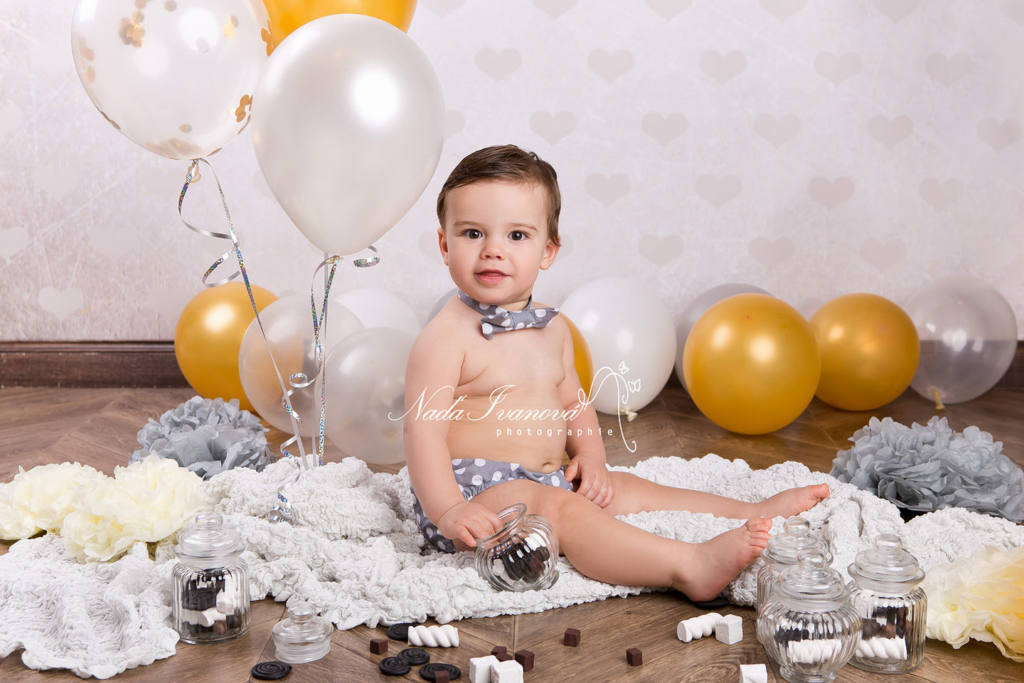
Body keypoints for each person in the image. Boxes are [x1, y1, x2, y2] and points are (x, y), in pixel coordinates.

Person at [402, 144, 828, 601]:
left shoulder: (553, 326)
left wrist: (591, 457)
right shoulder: (445, 337)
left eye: (517, 236)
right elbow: (421, 433)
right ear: (445, 244)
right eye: (472, 233)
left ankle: (750, 509)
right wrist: (448, 509)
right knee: (558, 508)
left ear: (548, 250)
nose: (493, 251)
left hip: (545, 477)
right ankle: (688, 565)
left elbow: (573, 401)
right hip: (476, 495)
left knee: (627, 489)